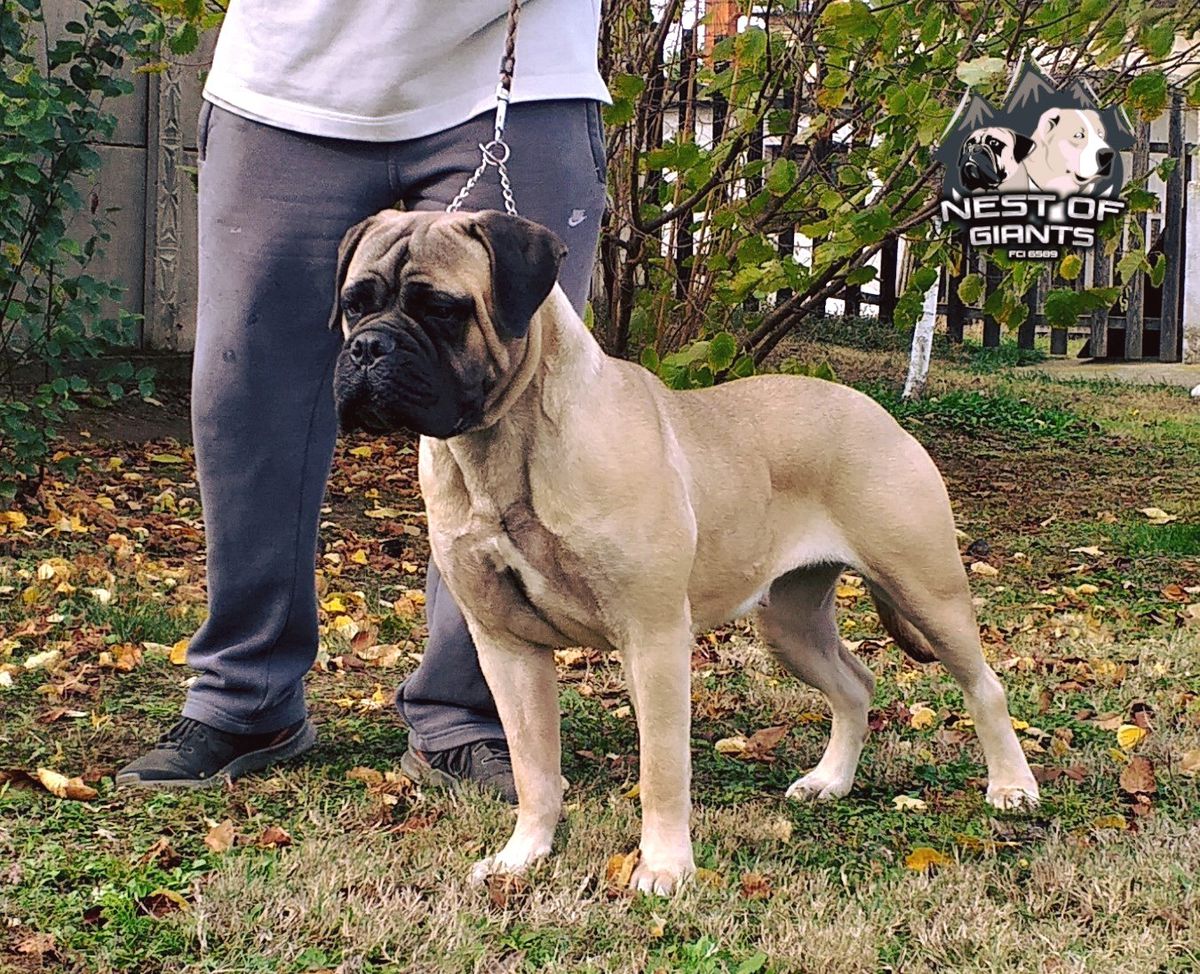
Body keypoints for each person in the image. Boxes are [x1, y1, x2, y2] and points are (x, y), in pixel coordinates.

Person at [115, 0, 610, 801]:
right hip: (284, 87)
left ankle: (468, 713)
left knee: (519, 410)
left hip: (516, 75)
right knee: (247, 400)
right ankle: (246, 697)